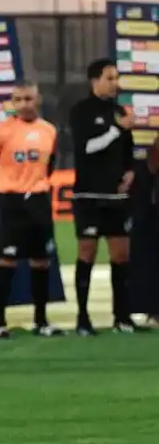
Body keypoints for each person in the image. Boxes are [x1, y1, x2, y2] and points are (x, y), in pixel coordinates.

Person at [67, 58, 146, 334]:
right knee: (87, 253)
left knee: (121, 256)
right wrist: (117, 129)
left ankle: (121, 317)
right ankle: (82, 318)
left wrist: (130, 173)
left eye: (116, 78)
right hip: (89, 195)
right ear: (95, 81)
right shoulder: (81, 111)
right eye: (110, 78)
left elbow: (129, 152)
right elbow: (88, 147)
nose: (116, 83)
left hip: (116, 197)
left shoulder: (118, 110)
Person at [0, 80, 61, 338]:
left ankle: (41, 321)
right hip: (12, 202)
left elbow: (50, 165)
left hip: (38, 200)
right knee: (7, 261)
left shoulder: (49, 131)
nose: (25, 104)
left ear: (38, 99)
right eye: (19, 100)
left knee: (41, 261)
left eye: (29, 99)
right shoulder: (0, 131)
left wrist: (38, 186)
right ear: (13, 103)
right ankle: (0, 324)